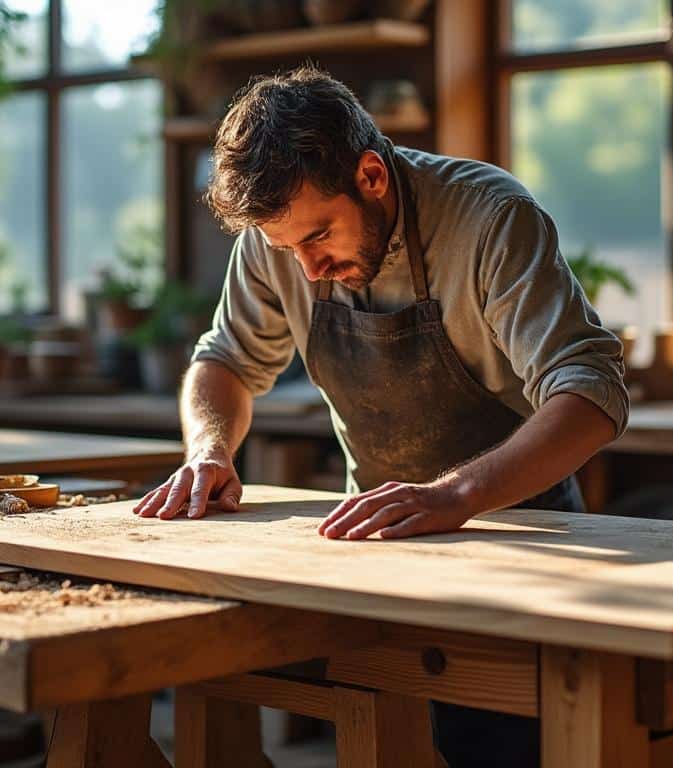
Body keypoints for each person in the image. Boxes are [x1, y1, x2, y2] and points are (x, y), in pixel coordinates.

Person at [133, 66, 628, 765]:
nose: (305, 270)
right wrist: (208, 450)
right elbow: (225, 361)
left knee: (496, 748)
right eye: (286, 250)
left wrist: (458, 494)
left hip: (521, 534)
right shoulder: (278, 241)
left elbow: (591, 391)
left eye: (319, 239)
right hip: (374, 545)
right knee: (374, 734)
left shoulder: (487, 217)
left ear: (371, 175)